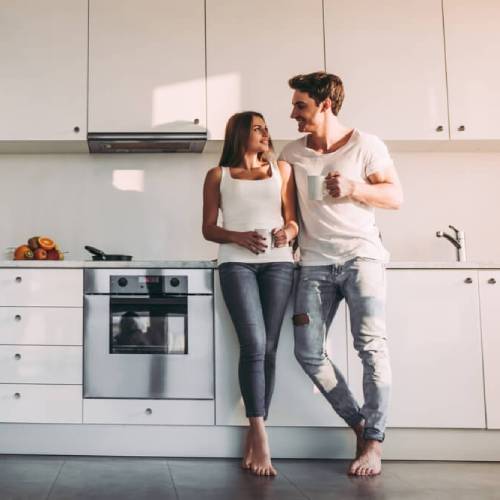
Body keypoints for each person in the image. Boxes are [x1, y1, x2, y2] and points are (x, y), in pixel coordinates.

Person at [279, 72, 403, 476]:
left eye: (301, 105)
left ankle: (373, 444)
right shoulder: (292, 153)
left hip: (361, 258)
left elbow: (394, 196)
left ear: (325, 104)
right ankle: (361, 425)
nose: (293, 113)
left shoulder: (367, 145)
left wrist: (354, 188)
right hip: (314, 263)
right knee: (308, 351)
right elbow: (288, 211)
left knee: (371, 347)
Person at [202, 111, 298, 476]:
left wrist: (287, 233)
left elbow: (292, 219)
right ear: (240, 133)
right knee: (254, 344)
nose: (265, 133)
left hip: (279, 264)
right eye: (258, 128)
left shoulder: (281, 171)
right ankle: (260, 435)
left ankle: (254, 432)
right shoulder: (218, 176)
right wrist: (237, 236)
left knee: (269, 348)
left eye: (266, 128)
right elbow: (209, 228)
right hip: (235, 265)